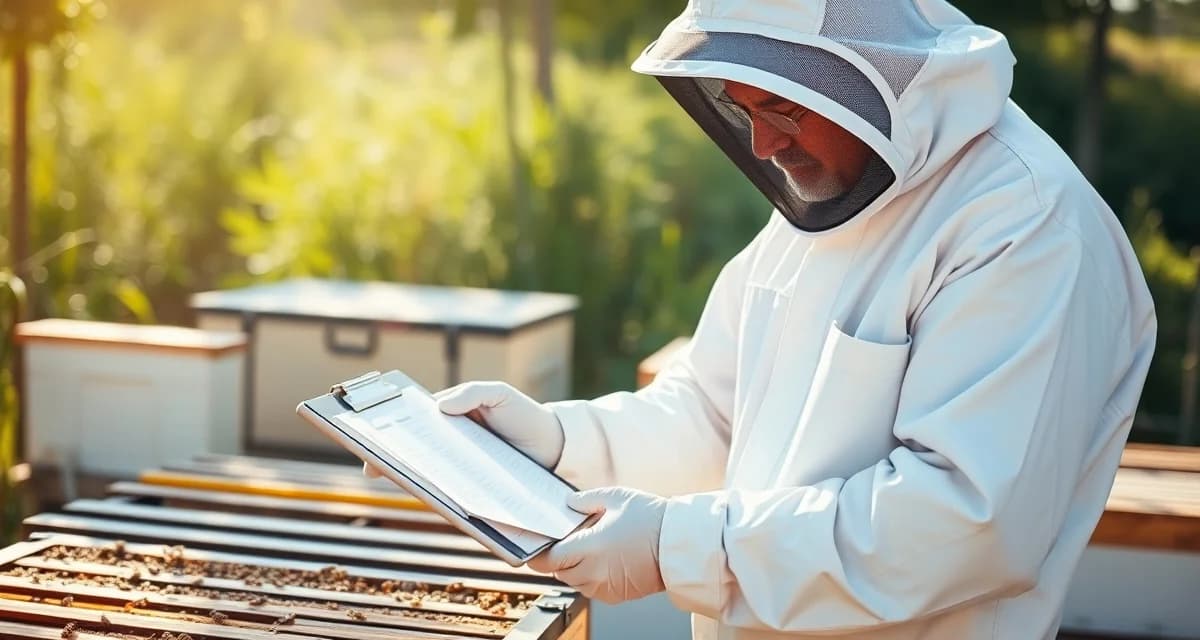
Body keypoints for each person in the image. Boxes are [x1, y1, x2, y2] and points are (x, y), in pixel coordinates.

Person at [367, 1, 1157, 638]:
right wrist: (559, 443)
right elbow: (714, 414)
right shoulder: (831, 192)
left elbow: (963, 522)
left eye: (783, 106)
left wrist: (678, 547)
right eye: (743, 107)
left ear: (873, 80)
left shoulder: (1025, 228)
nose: (764, 141)